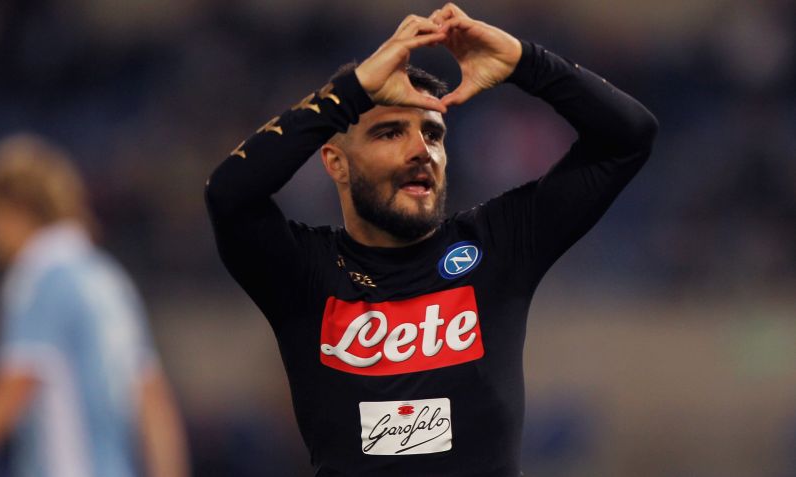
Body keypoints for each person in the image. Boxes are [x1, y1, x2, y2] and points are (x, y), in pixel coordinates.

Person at [205, 3, 657, 476]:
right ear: (336, 162)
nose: (421, 150)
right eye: (389, 133)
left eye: (433, 134)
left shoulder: (497, 243)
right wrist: (351, 91)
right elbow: (228, 194)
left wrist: (527, 62)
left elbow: (629, 137)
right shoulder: (304, 272)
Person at [0, 134, 190, 477]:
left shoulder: (39, 275)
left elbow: (11, 388)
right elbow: (152, 398)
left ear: (12, 210)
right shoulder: (109, 280)